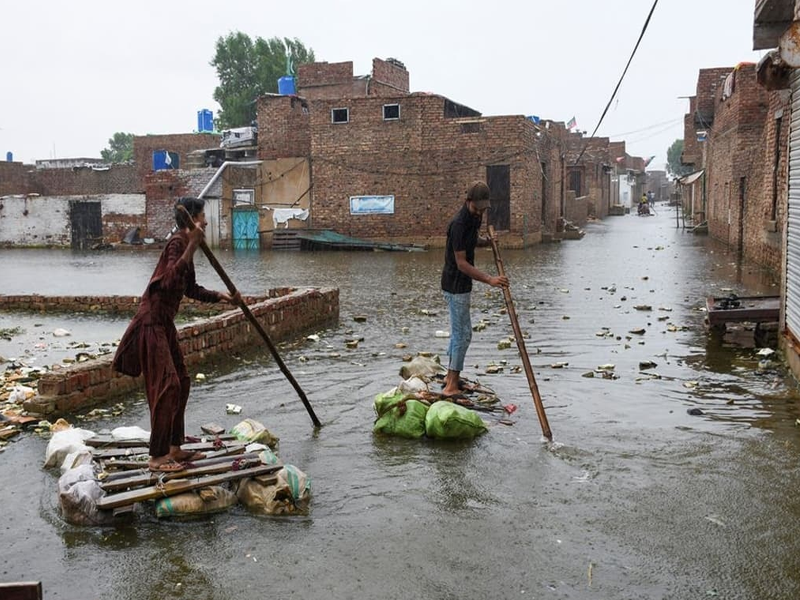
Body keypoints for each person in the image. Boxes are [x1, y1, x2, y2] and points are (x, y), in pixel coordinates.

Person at [112, 197, 241, 472]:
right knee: (167, 385)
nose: (206, 221)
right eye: (203, 216)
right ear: (192, 219)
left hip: (165, 323)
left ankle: (174, 447)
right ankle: (157, 457)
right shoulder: (177, 244)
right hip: (151, 322)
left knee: (181, 380)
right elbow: (169, 279)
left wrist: (223, 297)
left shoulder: (186, 247)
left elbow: (190, 288)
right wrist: (192, 244)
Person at [440, 181, 509, 398]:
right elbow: (461, 262)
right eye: (476, 207)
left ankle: (450, 377)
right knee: (463, 335)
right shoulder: (459, 224)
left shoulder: (473, 219)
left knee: (459, 332)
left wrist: (486, 242)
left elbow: (470, 242)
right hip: (455, 284)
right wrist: (490, 279)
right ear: (467, 201)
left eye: (482, 208)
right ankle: (451, 386)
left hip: (461, 284)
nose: (479, 212)